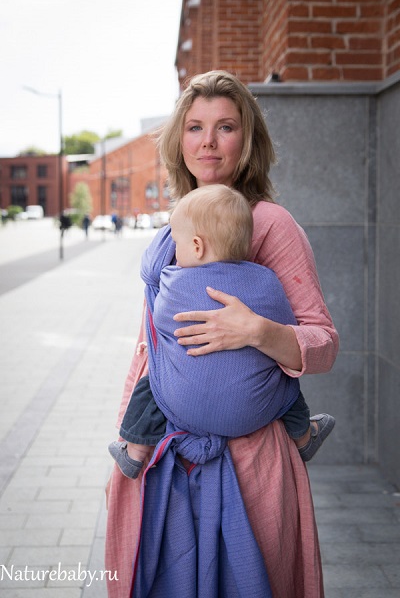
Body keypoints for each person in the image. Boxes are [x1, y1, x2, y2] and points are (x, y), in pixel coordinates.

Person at [105, 70, 339, 598]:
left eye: (225, 127)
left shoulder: (270, 224)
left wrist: (257, 330)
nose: (208, 141)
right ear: (179, 140)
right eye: (195, 127)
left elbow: (323, 342)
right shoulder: (175, 228)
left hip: (251, 464)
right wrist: (127, 440)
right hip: (166, 460)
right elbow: (150, 350)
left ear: (247, 141)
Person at [108, 184, 335, 479]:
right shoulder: (267, 280)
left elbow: (156, 315)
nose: (174, 249)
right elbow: (287, 321)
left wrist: (253, 331)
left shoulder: (172, 282)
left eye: (176, 243)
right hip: (257, 413)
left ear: (197, 246)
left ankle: (136, 450)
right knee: (286, 385)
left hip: (183, 410)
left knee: (153, 380)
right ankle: (304, 436)